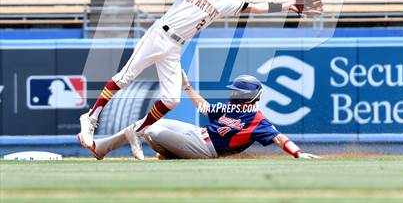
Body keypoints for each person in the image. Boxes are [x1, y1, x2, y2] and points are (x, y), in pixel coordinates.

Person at [78, 0, 322, 154]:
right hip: (159, 35)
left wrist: (289, 4)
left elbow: (254, 6)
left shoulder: (223, 4)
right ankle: (90, 117)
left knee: (172, 100)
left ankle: (139, 130)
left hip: (175, 48)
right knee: (125, 77)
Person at [87, 71, 319, 160]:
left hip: (206, 150)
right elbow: (204, 108)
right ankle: (102, 147)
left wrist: (297, 153)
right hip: (196, 134)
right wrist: (187, 87)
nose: (235, 94)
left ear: (252, 95)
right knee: (147, 122)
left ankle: (170, 155)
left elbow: (279, 138)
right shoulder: (233, 108)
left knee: (153, 131)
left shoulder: (258, 120)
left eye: (239, 92)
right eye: (235, 91)